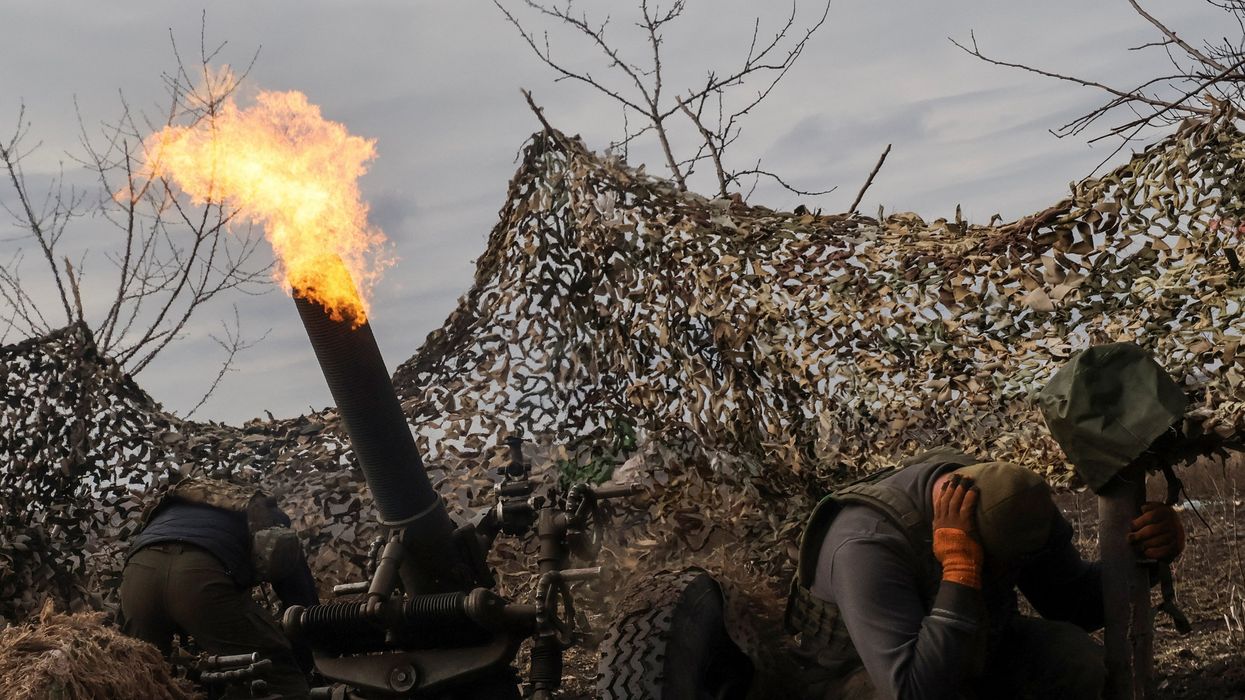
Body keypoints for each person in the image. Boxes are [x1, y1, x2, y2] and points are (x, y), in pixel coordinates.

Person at [786, 343, 1188, 700]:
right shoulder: (866, 543)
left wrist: (1145, 554)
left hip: (970, 646)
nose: (999, 575)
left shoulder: (1014, 499)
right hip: (864, 677)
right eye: (994, 566)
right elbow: (912, 690)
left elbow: (1071, 605)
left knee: (1073, 658)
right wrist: (961, 570)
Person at [118, 475, 319, 699]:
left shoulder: (175, 505)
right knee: (275, 674)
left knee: (144, 680)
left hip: (139, 573)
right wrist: (307, 662)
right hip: (198, 577)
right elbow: (302, 602)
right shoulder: (263, 513)